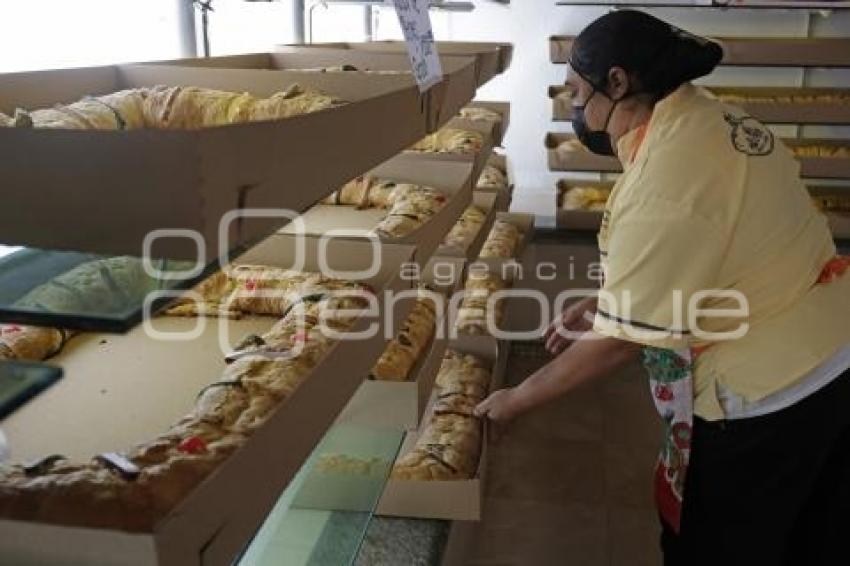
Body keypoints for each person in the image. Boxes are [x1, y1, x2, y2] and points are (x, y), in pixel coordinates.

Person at [474, 10, 850, 566]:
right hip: (831, 346)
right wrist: (611, 300)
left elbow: (620, 343)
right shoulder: (710, 118)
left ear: (618, 83)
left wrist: (515, 401)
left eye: (579, 92)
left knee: (715, 544)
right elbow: (713, 248)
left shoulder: (666, 182)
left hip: (772, 390)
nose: (575, 106)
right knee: (807, 538)